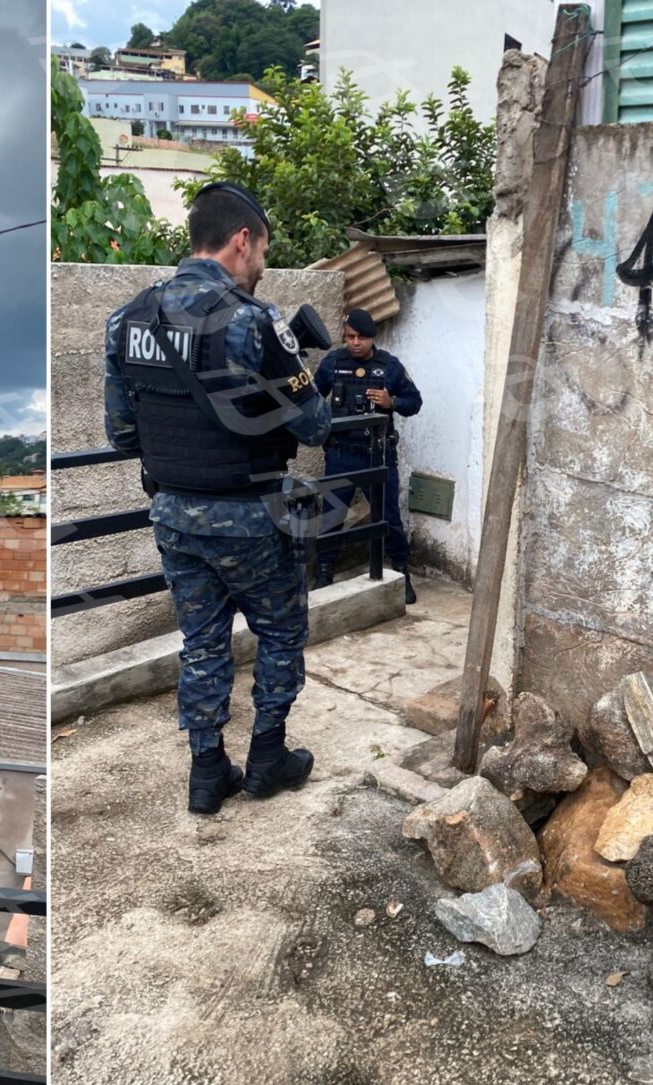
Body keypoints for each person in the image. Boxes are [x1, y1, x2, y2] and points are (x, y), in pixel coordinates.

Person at [103, 181, 334, 815]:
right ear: (242, 240)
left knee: (202, 642)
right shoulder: (253, 321)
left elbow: (122, 433)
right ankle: (267, 759)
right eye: (263, 252)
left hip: (174, 517)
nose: (262, 266)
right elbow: (315, 427)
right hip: (252, 516)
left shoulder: (128, 318)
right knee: (280, 631)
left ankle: (207, 774)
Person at [313, 309, 425, 603]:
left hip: (377, 455)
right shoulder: (333, 363)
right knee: (331, 516)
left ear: (372, 337)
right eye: (350, 337)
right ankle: (324, 572)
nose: (355, 343)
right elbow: (311, 398)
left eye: (361, 337)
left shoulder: (389, 366)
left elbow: (415, 402)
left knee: (388, 517)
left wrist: (392, 401)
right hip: (340, 453)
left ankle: (401, 571)